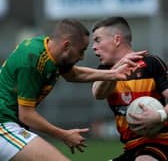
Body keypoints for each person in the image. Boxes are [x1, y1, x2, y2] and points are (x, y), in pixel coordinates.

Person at [0, 18, 139, 161]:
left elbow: (74, 74)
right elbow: (26, 115)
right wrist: (63, 135)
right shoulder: (32, 60)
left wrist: (114, 74)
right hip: (3, 125)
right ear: (66, 46)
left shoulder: (48, 50)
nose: (82, 56)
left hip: (11, 123)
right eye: (81, 51)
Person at [91, 17, 168, 161]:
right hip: (132, 147)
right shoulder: (106, 71)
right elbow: (98, 93)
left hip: (161, 143)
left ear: (117, 40)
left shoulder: (151, 64)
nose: (93, 47)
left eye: (97, 40)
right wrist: (117, 69)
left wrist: (160, 115)